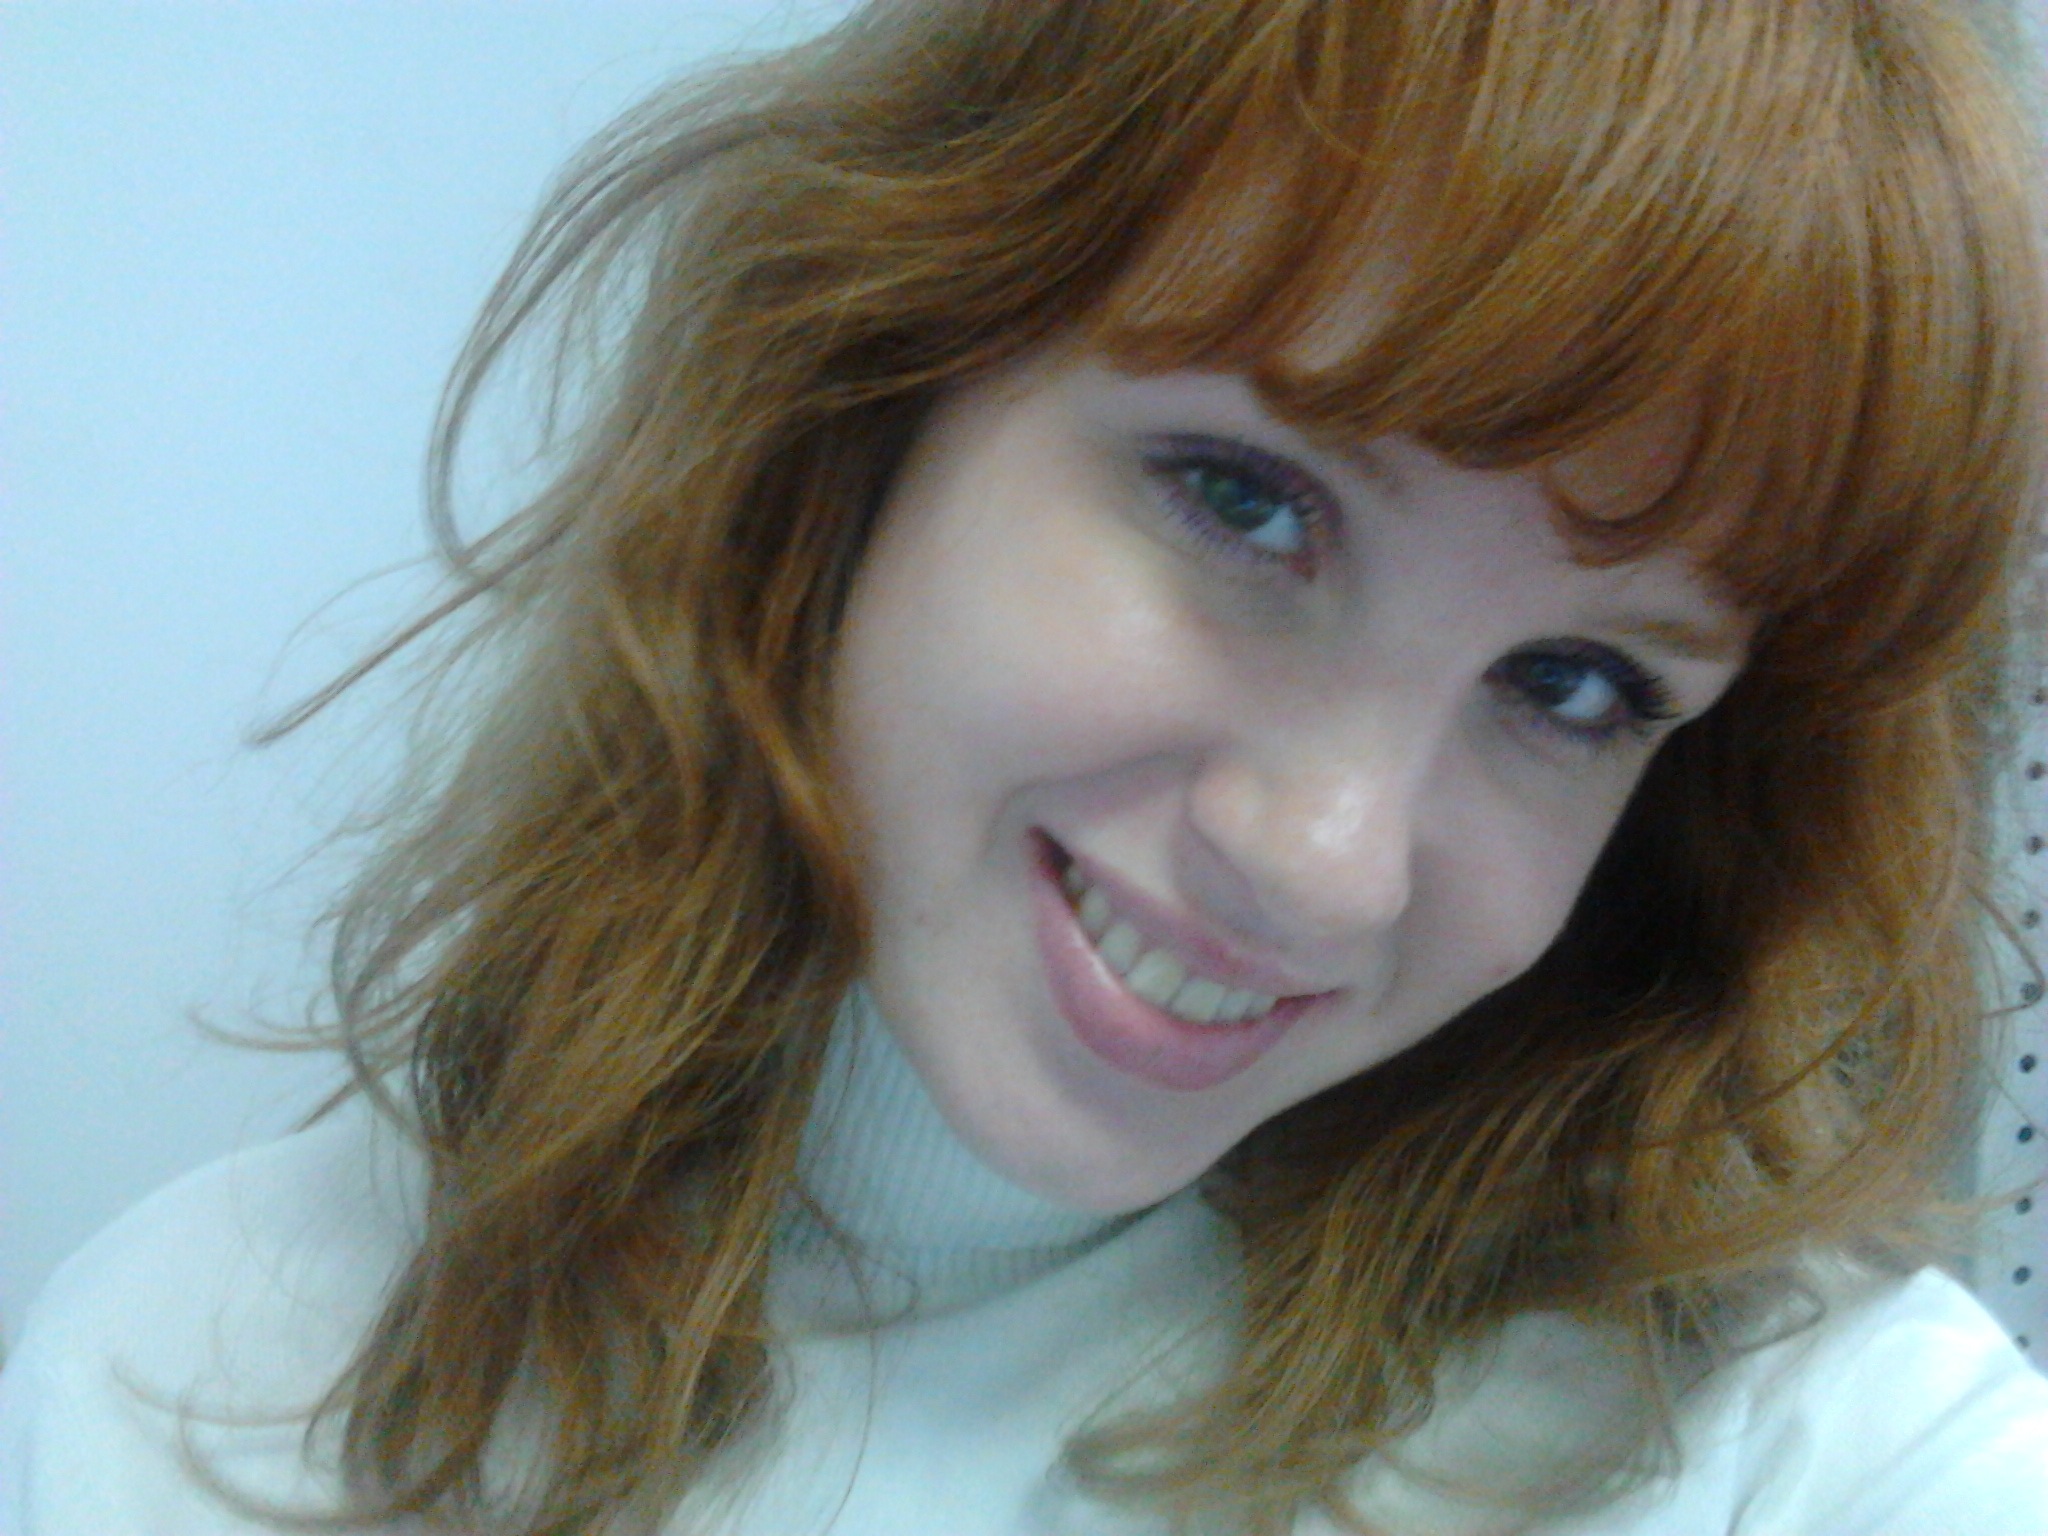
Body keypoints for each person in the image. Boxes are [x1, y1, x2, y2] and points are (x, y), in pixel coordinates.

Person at [4, 0, 2047, 1531]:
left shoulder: (1807, 1449)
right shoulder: (211, 1380)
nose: (1331, 863)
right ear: (873, 387)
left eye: (1576, 685)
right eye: (1246, 502)